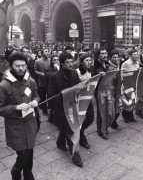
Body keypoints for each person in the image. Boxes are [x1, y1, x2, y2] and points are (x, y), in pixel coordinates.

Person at [0, 52, 39, 180]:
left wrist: (35, 101)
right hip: (15, 128)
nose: (21, 68)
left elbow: (36, 95)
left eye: (23, 65)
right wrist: (16, 107)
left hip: (30, 124)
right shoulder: (4, 86)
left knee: (30, 152)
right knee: (23, 155)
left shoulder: (31, 81)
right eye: (18, 66)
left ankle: (28, 173)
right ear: (11, 67)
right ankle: (16, 171)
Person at [47, 52, 83, 167]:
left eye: (72, 62)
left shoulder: (74, 73)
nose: (71, 64)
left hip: (72, 107)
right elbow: (51, 94)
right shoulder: (55, 76)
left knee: (67, 128)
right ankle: (75, 155)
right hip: (61, 109)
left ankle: (60, 142)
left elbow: (78, 88)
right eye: (68, 62)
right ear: (62, 63)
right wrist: (63, 100)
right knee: (70, 131)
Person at [76, 53, 95, 149]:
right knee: (79, 120)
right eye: (87, 60)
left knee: (91, 118)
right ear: (82, 62)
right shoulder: (77, 72)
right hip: (79, 99)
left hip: (88, 97)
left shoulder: (91, 70)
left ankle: (80, 131)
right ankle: (82, 139)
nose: (89, 62)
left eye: (90, 60)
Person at [121, 48, 139, 123]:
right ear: (130, 56)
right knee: (127, 101)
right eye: (134, 55)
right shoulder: (126, 63)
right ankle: (125, 116)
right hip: (127, 85)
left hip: (134, 84)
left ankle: (131, 116)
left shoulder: (137, 63)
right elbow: (122, 74)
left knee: (133, 101)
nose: (136, 56)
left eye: (136, 54)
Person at [34, 48, 50, 115]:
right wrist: (41, 74)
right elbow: (35, 70)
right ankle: (44, 111)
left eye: (48, 51)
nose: (47, 52)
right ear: (42, 53)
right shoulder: (38, 61)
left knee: (49, 96)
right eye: (45, 51)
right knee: (43, 97)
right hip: (42, 82)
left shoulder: (50, 60)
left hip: (49, 82)